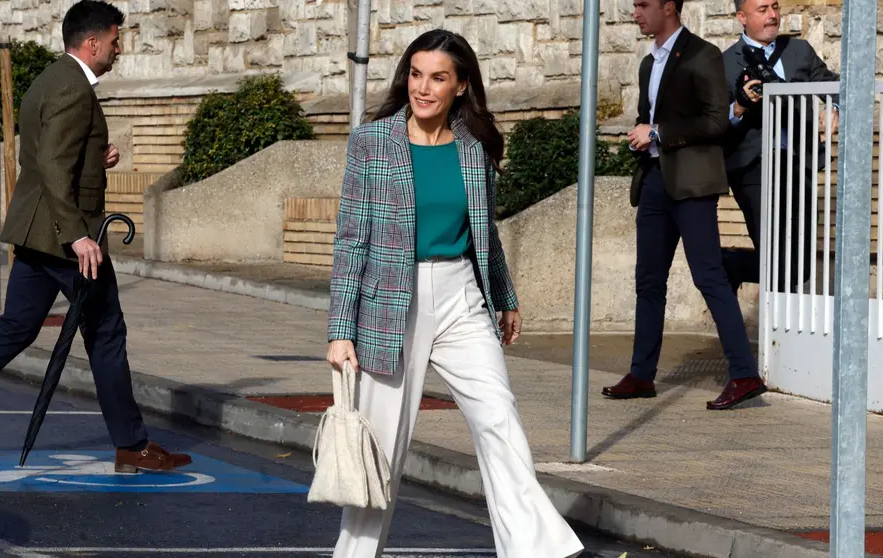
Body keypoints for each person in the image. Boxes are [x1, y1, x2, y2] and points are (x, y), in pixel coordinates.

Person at [324, 29, 585, 558]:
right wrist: (339, 331)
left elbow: (485, 235)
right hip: (391, 301)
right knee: (382, 451)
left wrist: (505, 297)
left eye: (438, 78)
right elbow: (351, 240)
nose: (423, 88)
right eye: (416, 74)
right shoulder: (372, 143)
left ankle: (541, 550)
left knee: (498, 418)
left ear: (461, 86)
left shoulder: (475, 148)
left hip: (462, 297)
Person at [0, 0, 191, 473]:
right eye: (114, 40)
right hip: (65, 237)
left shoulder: (50, 79)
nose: (118, 49)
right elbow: (50, 165)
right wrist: (78, 237)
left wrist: (94, 158)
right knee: (106, 332)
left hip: (36, 232)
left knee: (13, 331)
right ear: (91, 43)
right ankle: (132, 446)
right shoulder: (73, 88)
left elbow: (53, 150)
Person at [601, 0, 767, 410]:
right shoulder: (647, 64)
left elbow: (715, 121)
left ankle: (745, 375)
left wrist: (657, 131)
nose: (635, 13)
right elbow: (650, 118)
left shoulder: (702, 54)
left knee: (708, 276)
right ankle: (642, 375)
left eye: (643, 5)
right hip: (656, 180)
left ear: (669, 7)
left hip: (693, 184)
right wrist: (643, 135)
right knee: (649, 281)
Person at [721, 0, 839, 294]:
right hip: (752, 166)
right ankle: (776, 336)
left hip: (800, 162)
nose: (773, 15)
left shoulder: (799, 51)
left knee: (800, 265)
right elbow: (714, 122)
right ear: (741, 18)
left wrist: (833, 107)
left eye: (775, 7)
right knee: (774, 256)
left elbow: (835, 85)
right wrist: (740, 107)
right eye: (762, 10)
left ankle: (730, 264)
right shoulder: (724, 62)